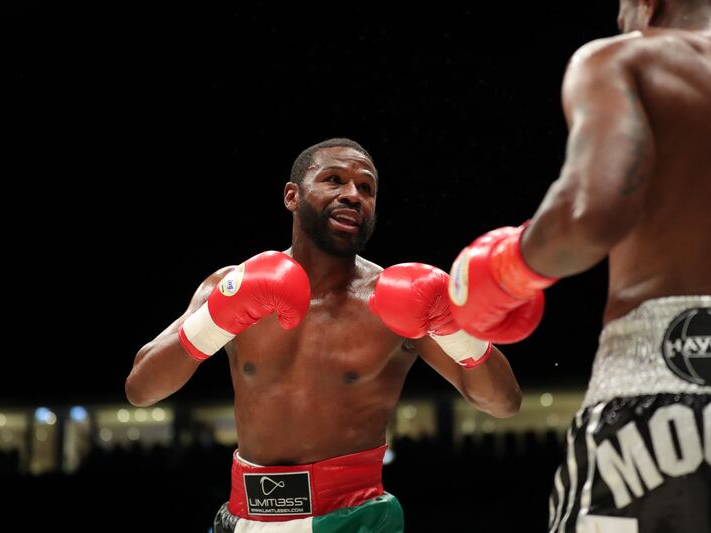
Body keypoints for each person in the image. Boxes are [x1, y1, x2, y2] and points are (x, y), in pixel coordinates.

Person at [447, 1, 711, 532]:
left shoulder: (621, 61)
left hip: (645, 399)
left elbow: (592, 213)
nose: (619, 21)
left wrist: (506, 269)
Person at [125, 138, 522, 532]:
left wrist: (453, 327)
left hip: (355, 517)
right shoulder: (232, 284)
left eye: (366, 188)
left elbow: (503, 402)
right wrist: (215, 320)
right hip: (243, 516)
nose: (353, 195)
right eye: (334, 180)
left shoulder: (393, 302)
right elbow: (141, 389)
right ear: (292, 196)